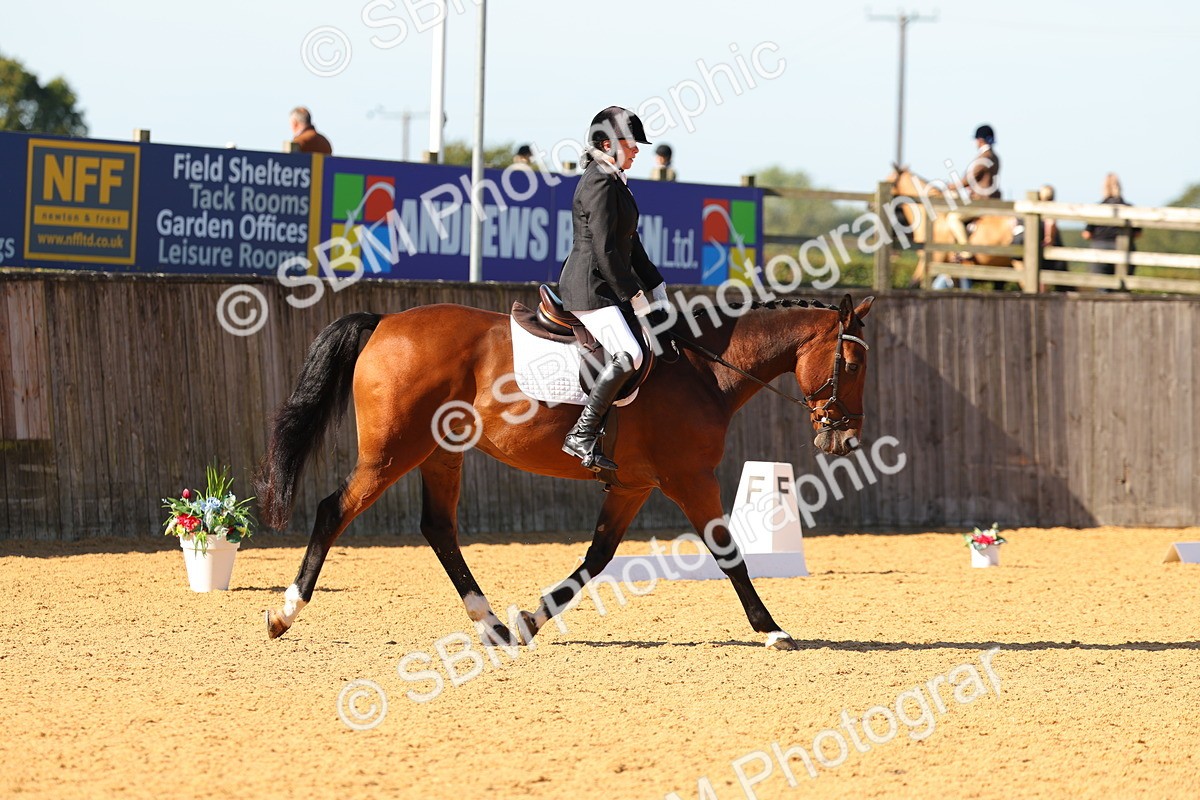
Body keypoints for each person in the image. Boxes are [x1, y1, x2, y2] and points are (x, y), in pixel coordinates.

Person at [558, 106, 667, 472]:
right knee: (629, 353)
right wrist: (634, 296)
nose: (636, 150)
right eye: (631, 143)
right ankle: (582, 433)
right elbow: (605, 250)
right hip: (590, 287)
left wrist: (657, 285)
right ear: (607, 143)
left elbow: (630, 244)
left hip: (605, 286)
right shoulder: (599, 181)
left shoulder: (614, 178)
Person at [945, 124, 1001, 259]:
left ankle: (966, 250)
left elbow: (969, 178)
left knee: (953, 218)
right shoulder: (995, 156)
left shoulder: (984, 157)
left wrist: (952, 186)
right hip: (994, 199)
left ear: (980, 140)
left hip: (981, 202)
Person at [1082, 173, 1138, 281]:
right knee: (1124, 283)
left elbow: (1086, 234)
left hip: (1100, 248)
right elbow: (1138, 233)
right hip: (1124, 248)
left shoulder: (1097, 208)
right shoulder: (1129, 207)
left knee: (1101, 284)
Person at [1036, 185, 1069, 291]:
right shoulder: (1051, 209)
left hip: (1039, 245)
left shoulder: (1037, 208)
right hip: (1051, 246)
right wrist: (1049, 239)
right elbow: (1050, 225)